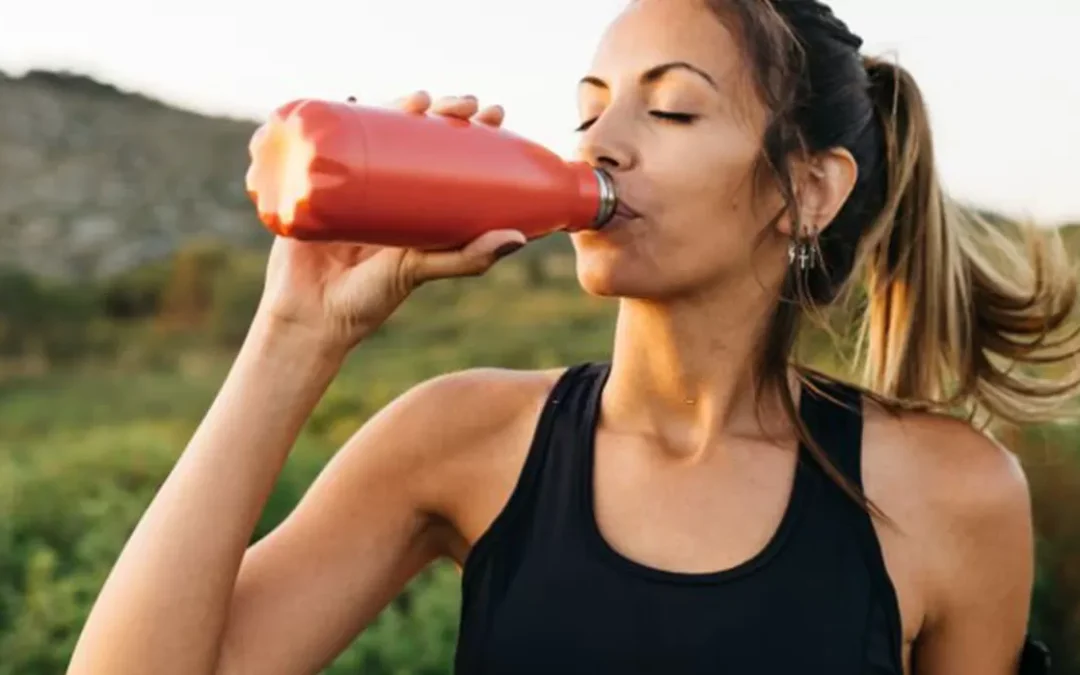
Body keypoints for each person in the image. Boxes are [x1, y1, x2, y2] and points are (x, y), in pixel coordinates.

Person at [68, 0, 1075, 673]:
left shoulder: (950, 492)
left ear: (807, 190)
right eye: (588, 111)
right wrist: (295, 331)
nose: (598, 145)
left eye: (673, 110)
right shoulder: (464, 437)